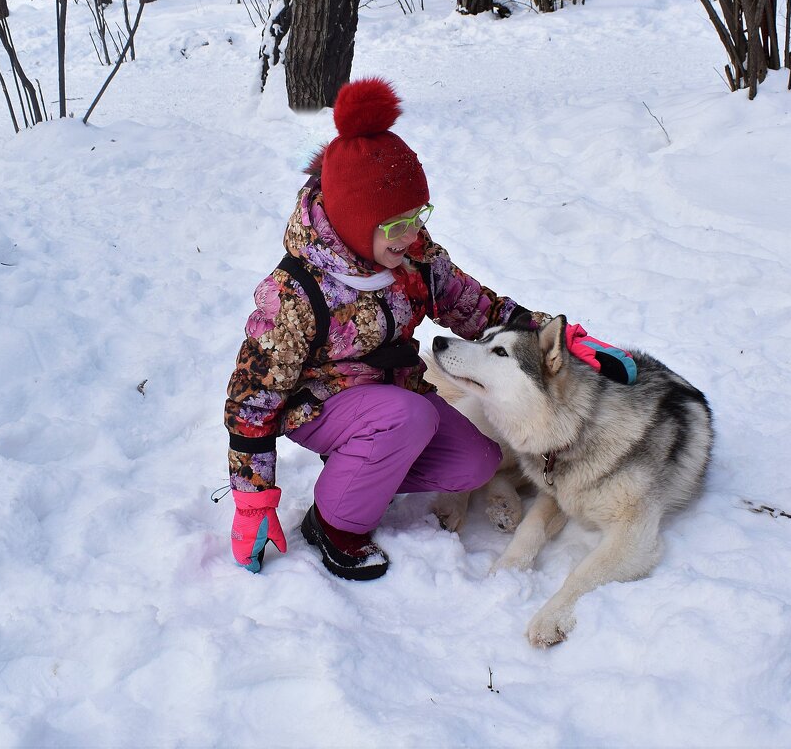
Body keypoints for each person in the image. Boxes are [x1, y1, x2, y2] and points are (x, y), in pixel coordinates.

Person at [223, 77, 548, 581]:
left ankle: (364, 473)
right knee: (408, 416)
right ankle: (333, 525)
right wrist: (251, 501)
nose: (413, 233)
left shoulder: (411, 254)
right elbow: (251, 400)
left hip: (391, 403)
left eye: (417, 216)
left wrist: (545, 333)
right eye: (396, 224)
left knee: (478, 461)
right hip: (323, 406)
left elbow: (468, 303)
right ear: (355, 222)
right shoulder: (296, 292)